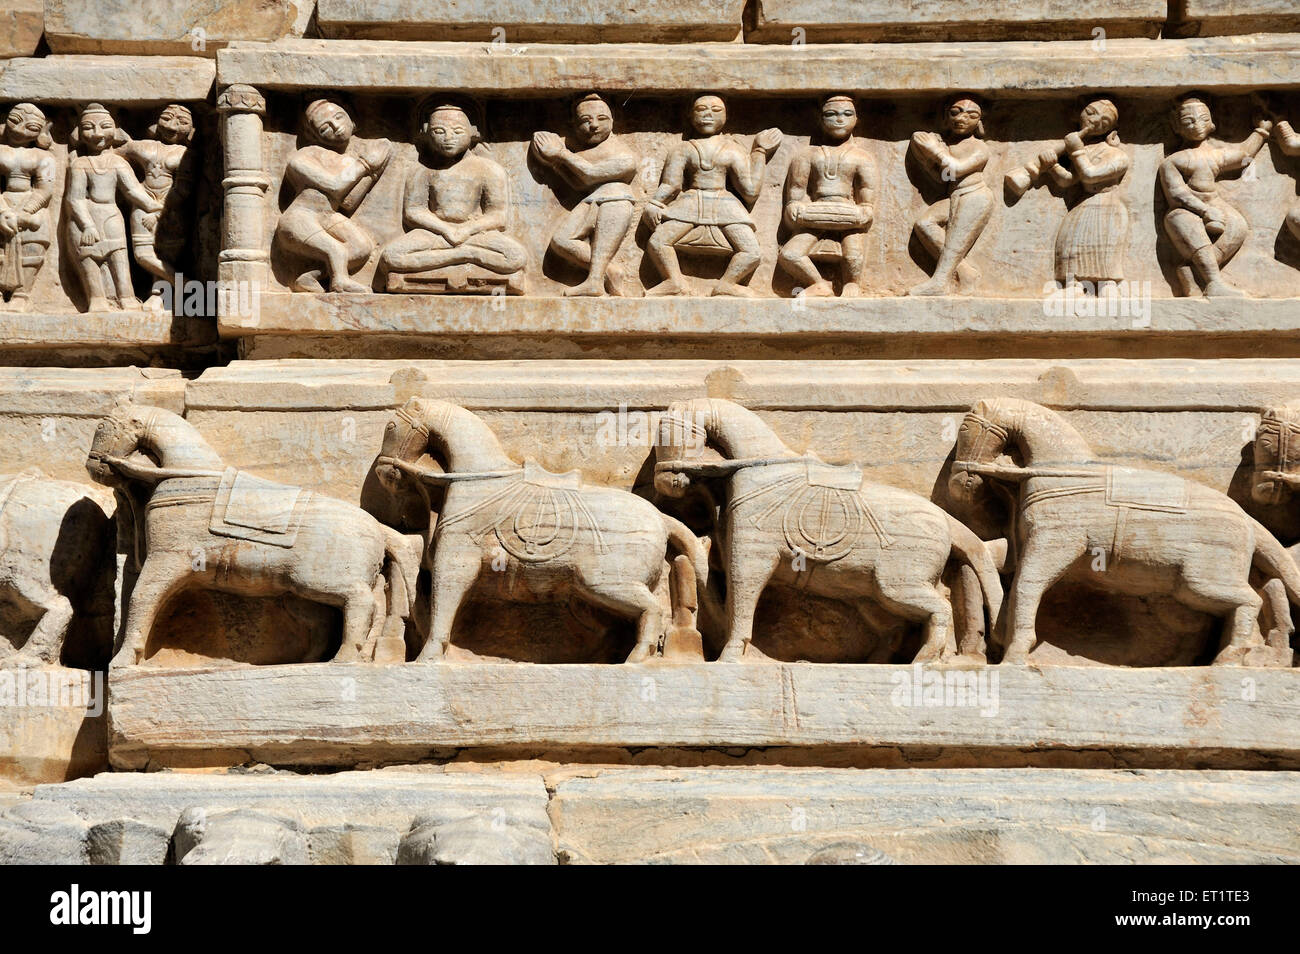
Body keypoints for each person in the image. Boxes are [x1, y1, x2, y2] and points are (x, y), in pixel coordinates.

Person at [643, 94, 782, 297]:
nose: (708, 114)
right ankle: (674, 281)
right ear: (690, 116)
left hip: (724, 205)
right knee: (657, 242)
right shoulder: (682, 149)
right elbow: (671, 185)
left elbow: (750, 191)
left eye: (716, 110)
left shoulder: (733, 150)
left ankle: (727, 284)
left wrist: (759, 151)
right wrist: (654, 203)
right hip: (690, 203)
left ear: (726, 116)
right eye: (701, 109)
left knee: (752, 252)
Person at [380, 101, 526, 285]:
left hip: (475, 235)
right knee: (392, 256)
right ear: (426, 132)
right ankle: (462, 256)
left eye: (458, 131)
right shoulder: (421, 170)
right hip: (434, 234)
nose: (448, 137)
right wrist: (446, 229)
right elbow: (414, 211)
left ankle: (466, 255)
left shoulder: (489, 169)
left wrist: (466, 230)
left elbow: (498, 215)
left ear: (473, 132)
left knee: (516, 257)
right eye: (439, 131)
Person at [275, 98, 392, 293]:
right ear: (315, 136)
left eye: (339, 117)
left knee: (361, 248)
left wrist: (374, 171)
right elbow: (334, 186)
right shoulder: (304, 156)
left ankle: (311, 277)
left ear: (352, 120)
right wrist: (365, 164)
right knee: (335, 249)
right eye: (325, 128)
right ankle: (340, 282)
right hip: (300, 218)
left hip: (327, 216)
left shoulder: (347, 162)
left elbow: (347, 202)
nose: (336, 127)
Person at [1159, 95, 1271, 298]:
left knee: (1238, 226)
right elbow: (1177, 193)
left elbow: (1243, 155)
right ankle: (1214, 282)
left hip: (1214, 202)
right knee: (1186, 224)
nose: (1196, 125)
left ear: (1211, 122)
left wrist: (1261, 131)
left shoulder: (1214, 154)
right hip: (1186, 210)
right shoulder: (1173, 161)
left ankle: (1192, 271)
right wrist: (1204, 210)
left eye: (1202, 118)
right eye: (1188, 121)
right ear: (1177, 126)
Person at [532, 93, 638, 297]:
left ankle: (595, 282)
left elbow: (590, 174)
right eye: (585, 120)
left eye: (602, 119)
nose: (594, 125)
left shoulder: (625, 155)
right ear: (573, 124)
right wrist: (553, 161)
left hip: (616, 200)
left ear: (613, 120)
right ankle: (611, 271)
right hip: (593, 200)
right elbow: (579, 183)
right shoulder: (585, 154)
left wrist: (561, 154)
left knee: (599, 244)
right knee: (561, 241)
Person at [64, 103, 163, 311]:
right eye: (89, 127)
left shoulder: (118, 162)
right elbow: (75, 199)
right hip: (86, 218)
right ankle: (97, 299)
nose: (97, 133)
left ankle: (126, 297)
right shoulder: (79, 164)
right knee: (88, 258)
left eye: (105, 126)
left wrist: (154, 206)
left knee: (118, 256)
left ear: (115, 129)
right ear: (79, 133)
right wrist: (87, 225)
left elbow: (133, 191)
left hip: (111, 215)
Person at [778, 94, 875, 298]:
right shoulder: (807, 155)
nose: (839, 119)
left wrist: (866, 208)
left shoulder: (861, 157)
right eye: (831, 114)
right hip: (817, 210)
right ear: (820, 119)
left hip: (847, 211)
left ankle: (851, 284)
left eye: (847, 114)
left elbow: (867, 191)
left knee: (853, 255)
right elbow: (797, 191)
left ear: (857, 119)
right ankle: (819, 283)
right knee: (789, 255)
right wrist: (795, 207)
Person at [1040, 99, 1131, 290]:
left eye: (1104, 121)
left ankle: (1108, 286)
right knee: (1071, 245)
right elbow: (1069, 180)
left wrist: (1076, 151)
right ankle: (1073, 286)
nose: (1095, 120)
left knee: (1105, 249)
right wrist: (1052, 166)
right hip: (1082, 204)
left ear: (1111, 129)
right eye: (1090, 112)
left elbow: (1090, 175)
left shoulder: (1118, 156)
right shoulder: (1084, 149)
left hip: (1107, 205)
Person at [909, 97, 993, 296]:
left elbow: (957, 169)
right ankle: (965, 272)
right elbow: (943, 178)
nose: (962, 118)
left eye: (971, 115)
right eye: (956, 112)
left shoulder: (980, 148)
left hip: (975, 196)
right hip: (955, 195)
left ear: (979, 122)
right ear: (946, 115)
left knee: (955, 242)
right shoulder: (948, 145)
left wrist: (935, 150)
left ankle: (940, 282)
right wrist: (925, 157)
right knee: (924, 223)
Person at [118, 103, 197, 292]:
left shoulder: (187, 154)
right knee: (142, 254)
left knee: (166, 253)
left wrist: (159, 211)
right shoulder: (143, 146)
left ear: (191, 129)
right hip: (142, 202)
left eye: (182, 122)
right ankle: (184, 284)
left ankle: (159, 294)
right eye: (166, 118)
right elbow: (112, 156)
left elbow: (183, 191)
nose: (172, 126)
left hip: (171, 208)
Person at [0, 103, 55, 310]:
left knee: (32, 249)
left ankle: (21, 295)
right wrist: (3, 211)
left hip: (31, 206)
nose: (19, 129)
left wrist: (26, 211)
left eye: (30, 127)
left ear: (40, 132)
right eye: (15, 121)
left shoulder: (44, 157)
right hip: (5, 202)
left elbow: (45, 190)